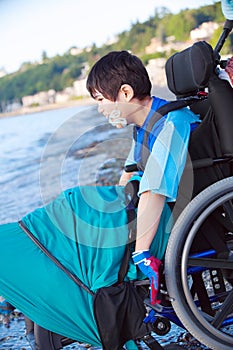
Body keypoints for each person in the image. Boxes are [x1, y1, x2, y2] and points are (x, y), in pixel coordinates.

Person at [86, 50, 201, 305]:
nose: (100, 109)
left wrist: (141, 252)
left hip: (184, 214)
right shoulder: (143, 126)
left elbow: (154, 188)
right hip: (166, 209)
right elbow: (128, 174)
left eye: (101, 99)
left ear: (125, 94)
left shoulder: (173, 120)